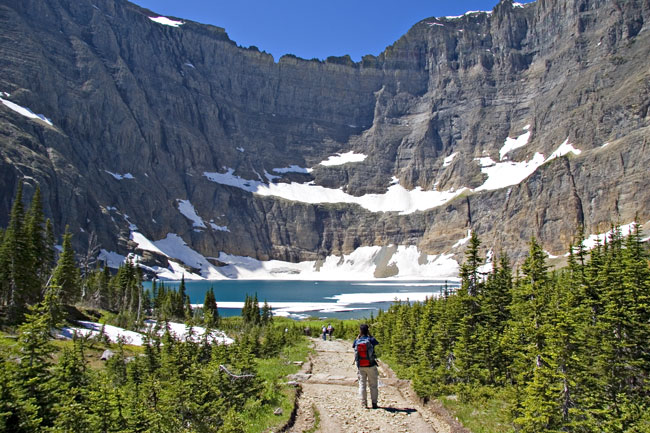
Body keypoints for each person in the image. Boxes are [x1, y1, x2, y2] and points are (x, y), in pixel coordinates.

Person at [352, 323, 380, 409]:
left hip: (361, 365)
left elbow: (353, 346)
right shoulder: (371, 339)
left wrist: (358, 337)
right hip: (371, 364)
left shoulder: (357, 341)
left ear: (360, 331)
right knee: (373, 385)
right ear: (367, 330)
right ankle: (374, 403)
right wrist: (370, 335)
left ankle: (364, 403)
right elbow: (376, 342)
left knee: (362, 384)